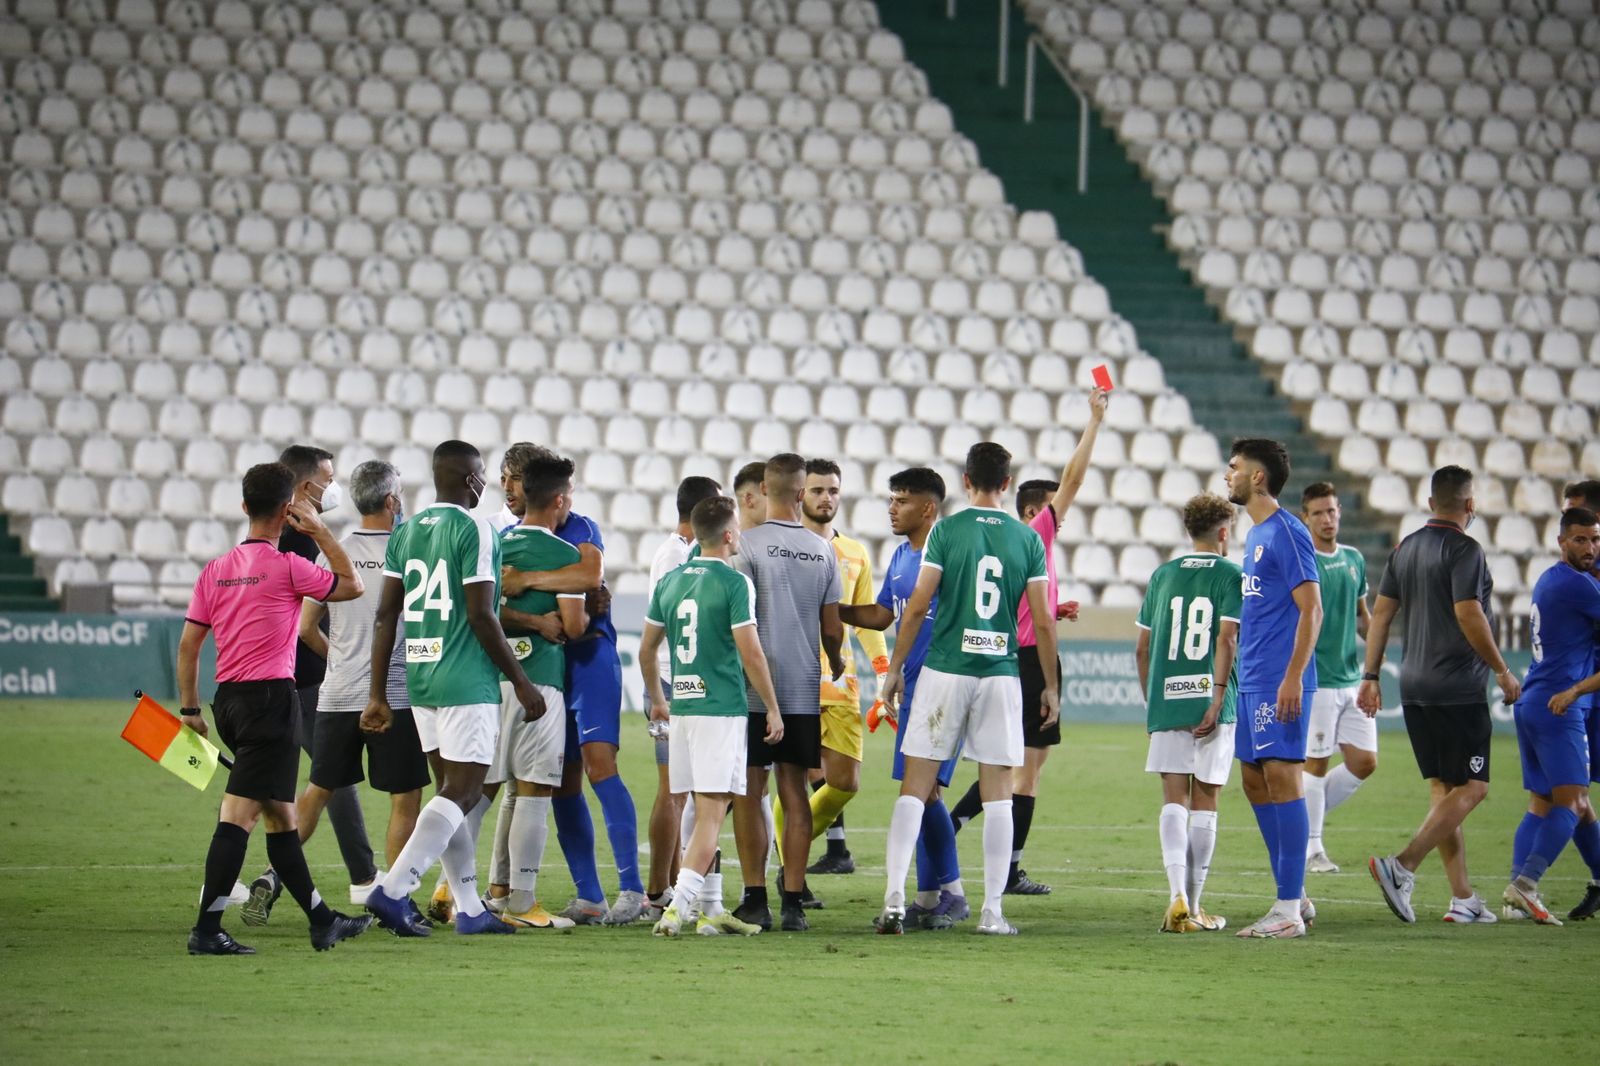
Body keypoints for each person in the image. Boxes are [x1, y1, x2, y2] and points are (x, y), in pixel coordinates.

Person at [178, 462, 372, 954]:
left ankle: (322, 921)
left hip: (229, 704)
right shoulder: (287, 566)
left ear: (244, 506)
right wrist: (321, 531)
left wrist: (189, 711)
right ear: (289, 511)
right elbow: (352, 585)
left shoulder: (215, 570)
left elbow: (189, 646)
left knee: (282, 821)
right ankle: (206, 930)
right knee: (237, 819)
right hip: (272, 703)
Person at [876, 442, 1058, 937]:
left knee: (915, 788)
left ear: (965, 481)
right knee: (999, 794)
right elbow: (1043, 620)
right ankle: (992, 912)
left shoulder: (945, 531)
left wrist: (894, 669)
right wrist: (1050, 686)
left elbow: (917, 606)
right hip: (999, 674)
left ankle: (895, 901)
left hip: (944, 671)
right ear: (1007, 483)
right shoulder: (1027, 539)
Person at [362, 440, 542, 938]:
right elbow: (482, 615)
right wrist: (521, 681)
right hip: (465, 680)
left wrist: (378, 693)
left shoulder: (406, 531)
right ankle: (393, 889)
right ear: (470, 479)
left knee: (450, 794)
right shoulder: (476, 529)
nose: (486, 482)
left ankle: (469, 908)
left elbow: (386, 616)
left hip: (422, 680)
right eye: (482, 473)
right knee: (463, 792)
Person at [949, 386, 1106, 894]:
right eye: (1055, 509)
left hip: (1002, 657)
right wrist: (1095, 421)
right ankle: (1005, 865)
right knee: (1026, 772)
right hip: (1034, 660)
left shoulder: (999, 543)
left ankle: (954, 826)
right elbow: (1074, 479)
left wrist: (1055, 608)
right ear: (1036, 508)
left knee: (1006, 764)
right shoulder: (1035, 533)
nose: (1061, 516)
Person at [1362, 465, 1521, 925]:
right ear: (1471, 505)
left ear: (1431, 503)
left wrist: (1371, 675)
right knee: (1474, 786)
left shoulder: (1405, 548)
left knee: (1445, 789)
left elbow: (1381, 615)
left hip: (1413, 686)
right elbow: (1469, 613)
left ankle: (1463, 898)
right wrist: (1503, 670)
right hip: (1457, 688)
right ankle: (1402, 865)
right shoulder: (1465, 549)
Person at [289, 462, 430, 933]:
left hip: (337, 694)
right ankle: (396, 899)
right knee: (405, 798)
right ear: (391, 501)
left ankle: (273, 872)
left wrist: (340, 662)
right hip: (396, 695)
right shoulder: (413, 550)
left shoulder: (336, 552)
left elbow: (305, 629)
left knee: (318, 790)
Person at [492, 445, 629, 926]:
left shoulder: (575, 529)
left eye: (514, 479)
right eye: (504, 479)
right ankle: (575, 895)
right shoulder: (507, 535)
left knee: (595, 767)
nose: (507, 488)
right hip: (541, 670)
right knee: (546, 783)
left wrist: (527, 580)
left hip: (577, 661)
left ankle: (632, 889)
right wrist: (542, 614)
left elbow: (589, 573)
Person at [242, 444, 376, 922]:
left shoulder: (266, 542)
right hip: (309, 679)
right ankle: (358, 879)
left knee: (291, 783)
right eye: (328, 478)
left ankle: (229, 878)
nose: (334, 487)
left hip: (267, 680)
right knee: (329, 779)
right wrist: (345, 659)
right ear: (304, 488)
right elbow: (316, 617)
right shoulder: (305, 544)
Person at [641, 496, 784, 937]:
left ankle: (710, 908)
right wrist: (773, 706)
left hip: (682, 710)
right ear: (727, 534)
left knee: (696, 807)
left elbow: (646, 650)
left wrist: (657, 699)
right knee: (712, 814)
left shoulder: (671, 581)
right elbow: (751, 652)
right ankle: (677, 908)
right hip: (720, 711)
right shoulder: (735, 583)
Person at [840, 467, 970, 930]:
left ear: (928, 508)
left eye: (902, 500)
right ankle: (931, 896)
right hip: (913, 688)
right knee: (925, 793)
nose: (892, 508)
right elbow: (882, 614)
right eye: (891, 499)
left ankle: (951, 893)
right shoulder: (900, 555)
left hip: (943, 685)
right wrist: (833, 610)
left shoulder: (948, 554)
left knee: (922, 791)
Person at [730, 453, 845, 933]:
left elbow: (737, 618)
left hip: (752, 688)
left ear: (763, 488)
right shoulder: (823, 550)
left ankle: (754, 898)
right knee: (794, 790)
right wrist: (835, 659)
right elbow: (832, 627)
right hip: (801, 686)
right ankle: (794, 902)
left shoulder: (745, 545)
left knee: (749, 789)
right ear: (802, 493)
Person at [484, 452, 593, 929]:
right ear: (560, 500)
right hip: (539, 683)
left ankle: (480, 892)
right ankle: (523, 902)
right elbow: (572, 625)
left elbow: (479, 610)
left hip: (490, 681)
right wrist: (584, 613)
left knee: (481, 790)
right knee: (534, 791)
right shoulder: (564, 555)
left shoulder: (493, 546)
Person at [771, 458, 890, 888]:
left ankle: (788, 851)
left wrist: (883, 673)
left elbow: (865, 621)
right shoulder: (781, 547)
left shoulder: (855, 553)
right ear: (801, 494)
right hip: (792, 684)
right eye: (818, 490)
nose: (826, 498)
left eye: (833, 491)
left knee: (844, 783)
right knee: (792, 783)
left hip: (841, 684)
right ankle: (792, 876)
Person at [1224, 438, 1322, 939]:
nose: (1228, 474)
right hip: (1253, 676)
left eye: (1235, 467)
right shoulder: (1255, 533)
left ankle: (1286, 909)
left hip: (1279, 680)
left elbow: (1312, 609)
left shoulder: (1287, 531)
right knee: (1254, 780)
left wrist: (1293, 676)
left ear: (1257, 477)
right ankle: (1295, 892)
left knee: (1283, 778)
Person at [1135, 493, 1241, 935]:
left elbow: (1142, 649)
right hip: (1212, 698)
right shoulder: (1232, 575)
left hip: (1167, 697)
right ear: (1223, 532)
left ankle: (1176, 894)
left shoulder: (1163, 575)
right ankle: (1194, 907)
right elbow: (1226, 639)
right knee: (1206, 800)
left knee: (1173, 799)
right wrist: (1216, 697)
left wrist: (1154, 703)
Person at [1502, 507, 1600, 924]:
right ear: (1561, 541)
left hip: (1534, 700)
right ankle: (1525, 885)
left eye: (1595, 539)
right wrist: (1576, 690)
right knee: (1573, 802)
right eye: (1580, 539)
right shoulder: (1580, 586)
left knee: (1547, 801)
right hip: (1560, 704)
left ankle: (1517, 896)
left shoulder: (1550, 578)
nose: (1590, 548)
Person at [642, 475, 724, 921]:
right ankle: (658, 890)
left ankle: (670, 886)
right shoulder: (679, 556)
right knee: (674, 792)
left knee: (680, 791)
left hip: (675, 682)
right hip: (676, 683)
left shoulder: (673, 551)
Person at [1299, 483, 1375, 874]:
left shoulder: (1353, 559)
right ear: (1306, 518)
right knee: (1315, 763)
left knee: (1365, 762)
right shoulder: (1304, 563)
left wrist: (1375, 651)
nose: (1327, 519)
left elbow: (1363, 615)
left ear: (1340, 511)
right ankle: (1313, 849)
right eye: (1318, 513)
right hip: (1319, 679)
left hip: (1351, 678)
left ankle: (1298, 815)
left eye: (1331, 511)